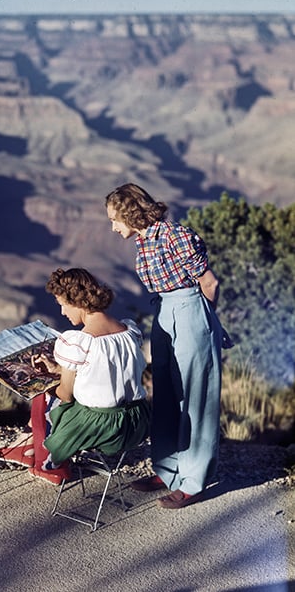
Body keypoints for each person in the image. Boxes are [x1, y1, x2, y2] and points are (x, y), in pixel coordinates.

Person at [105, 183, 223, 509]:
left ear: (130, 213)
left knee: (196, 398)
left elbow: (209, 282)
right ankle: (168, 469)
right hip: (163, 312)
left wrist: (206, 322)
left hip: (189, 311)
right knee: (167, 394)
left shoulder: (175, 236)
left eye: (115, 219)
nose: (113, 227)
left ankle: (194, 481)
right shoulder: (144, 240)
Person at [0, 267, 151, 485]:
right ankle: (28, 446)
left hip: (103, 426)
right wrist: (58, 368)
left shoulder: (80, 341)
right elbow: (103, 370)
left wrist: (49, 382)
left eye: (62, 305)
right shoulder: (128, 332)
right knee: (55, 390)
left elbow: (66, 395)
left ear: (77, 302)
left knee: (44, 395)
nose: (62, 313)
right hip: (137, 421)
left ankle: (49, 465)